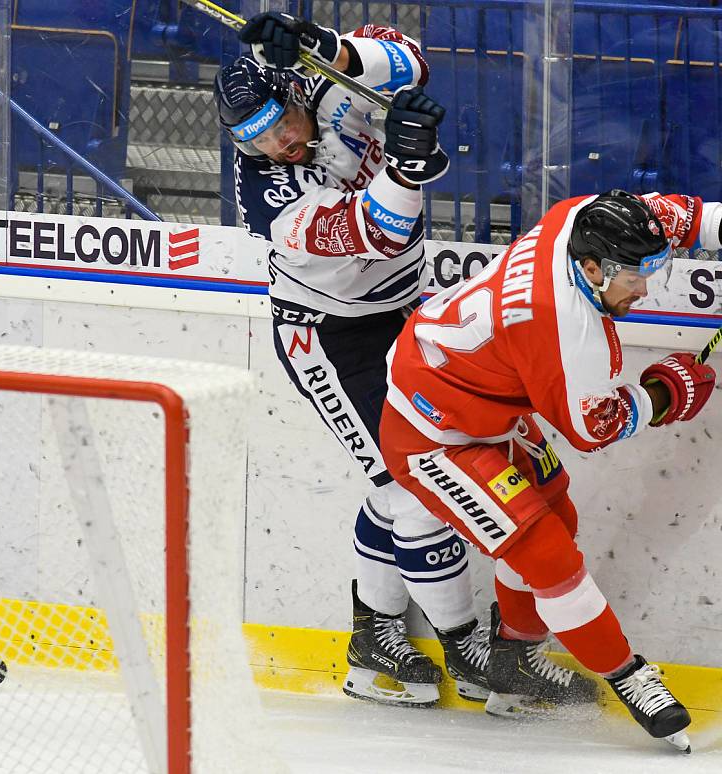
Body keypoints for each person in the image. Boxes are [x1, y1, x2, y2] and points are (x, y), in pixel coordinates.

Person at [213, 13, 491, 707]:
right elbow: (382, 231)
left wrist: (328, 47)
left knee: (395, 480)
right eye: (249, 138)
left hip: (402, 315)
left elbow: (413, 61)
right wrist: (405, 165)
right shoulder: (268, 196)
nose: (272, 145)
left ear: (299, 93)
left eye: (276, 124)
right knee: (414, 487)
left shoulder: (330, 88)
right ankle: (469, 651)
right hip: (330, 343)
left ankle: (373, 642)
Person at [379, 188, 720, 750]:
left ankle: (513, 666)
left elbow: (679, 217)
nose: (646, 288)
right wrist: (665, 394)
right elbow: (595, 429)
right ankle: (629, 676)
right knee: (544, 552)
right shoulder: (564, 328)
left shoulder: (578, 220)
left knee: (557, 516)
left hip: (482, 401)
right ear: (592, 268)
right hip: (434, 435)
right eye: (636, 277)